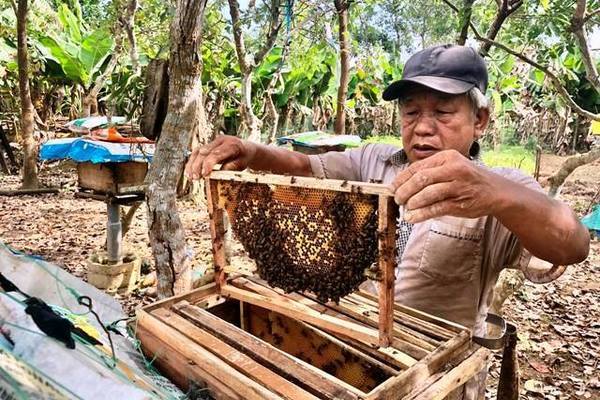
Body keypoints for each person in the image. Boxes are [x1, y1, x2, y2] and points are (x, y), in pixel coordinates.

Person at [185, 44, 590, 399]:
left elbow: (573, 244)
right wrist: (251, 151)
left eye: (443, 112)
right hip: (346, 347)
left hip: (433, 375)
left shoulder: (502, 188)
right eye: (411, 112)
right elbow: (305, 166)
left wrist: (500, 195)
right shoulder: (373, 160)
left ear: (479, 120)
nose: (423, 127)